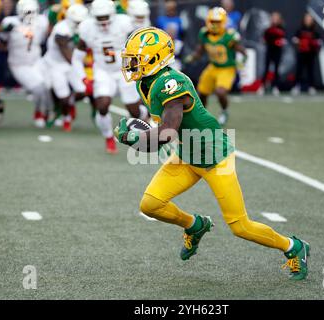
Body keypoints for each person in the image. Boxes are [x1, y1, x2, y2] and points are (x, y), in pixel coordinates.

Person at [116, 27, 310, 281]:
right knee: (150, 205)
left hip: (214, 157)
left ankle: (294, 247)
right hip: (188, 154)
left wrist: (136, 139)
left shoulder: (170, 84)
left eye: (136, 59)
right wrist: (141, 137)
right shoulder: (148, 82)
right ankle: (195, 225)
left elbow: (166, 133)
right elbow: (164, 128)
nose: (131, 64)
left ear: (155, 58)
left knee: (240, 227)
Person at [73, 0, 145, 154]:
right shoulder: (87, 27)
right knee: (103, 105)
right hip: (103, 71)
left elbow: (140, 45)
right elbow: (77, 57)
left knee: (133, 110)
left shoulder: (125, 23)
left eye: (106, 17)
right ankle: (108, 137)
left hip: (125, 70)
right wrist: (83, 78)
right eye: (100, 18)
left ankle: (145, 116)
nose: (104, 23)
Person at [185, 7, 247, 126]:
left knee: (220, 92)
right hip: (213, 66)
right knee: (202, 93)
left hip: (227, 68)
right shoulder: (204, 34)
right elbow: (200, 51)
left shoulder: (229, 36)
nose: (214, 25)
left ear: (223, 22)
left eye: (217, 22)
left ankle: (224, 111)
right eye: (212, 21)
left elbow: (243, 52)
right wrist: (192, 57)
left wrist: (241, 62)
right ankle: (202, 115)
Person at [1, 0, 51, 128]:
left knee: (48, 86)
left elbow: (49, 32)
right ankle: (39, 113)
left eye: (32, 12)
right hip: (19, 64)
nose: (30, 15)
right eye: (27, 12)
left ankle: (47, 111)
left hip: (37, 61)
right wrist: (4, 32)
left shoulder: (41, 21)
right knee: (38, 88)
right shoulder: (10, 22)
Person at [42, 3, 88, 132]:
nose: (79, 24)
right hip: (56, 65)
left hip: (71, 63)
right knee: (63, 96)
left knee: (84, 91)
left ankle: (70, 104)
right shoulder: (61, 29)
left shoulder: (85, 27)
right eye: (77, 22)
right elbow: (68, 54)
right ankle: (66, 116)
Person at [291, 13, 321, 96]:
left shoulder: (314, 31)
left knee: (310, 70)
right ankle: (296, 86)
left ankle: (311, 87)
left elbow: (319, 41)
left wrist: (313, 43)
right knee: (299, 70)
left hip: (311, 54)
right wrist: (300, 42)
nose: (308, 21)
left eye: (310, 19)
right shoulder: (300, 30)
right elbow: (294, 39)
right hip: (301, 53)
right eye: (307, 19)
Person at [260, 11, 286, 96]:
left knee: (276, 69)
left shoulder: (282, 28)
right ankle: (262, 86)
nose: (274, 19)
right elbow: (264, 38)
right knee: (266, 68)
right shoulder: (268, 28)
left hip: (277, 51)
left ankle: (275, 86)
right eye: (273, 18)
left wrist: (279, 41)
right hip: (269, 50)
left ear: (279, 19)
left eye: (276, 18)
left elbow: (283, 39)